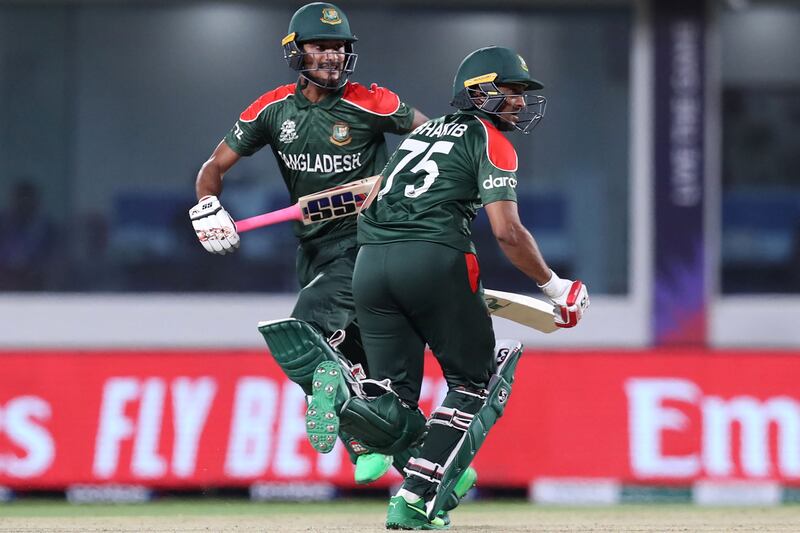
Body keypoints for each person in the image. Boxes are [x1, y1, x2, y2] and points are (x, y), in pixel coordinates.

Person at [305, 46, 591, 529]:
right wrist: (554, 286)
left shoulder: (417, 137)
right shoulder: (490, 139)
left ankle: (352, 402)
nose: (521, 103)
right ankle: (413, 498)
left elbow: (372, 201)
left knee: (392, 397)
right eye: (512, 90)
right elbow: (507, 232)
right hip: (435, 259)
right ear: (479, 92)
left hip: (370, 265)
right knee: (473, 384)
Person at [188, 2, 428, 484]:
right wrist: (207, 205)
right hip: (315, 249)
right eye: (321, 47)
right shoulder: (272, 109)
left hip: (368, 242)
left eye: (340, 48)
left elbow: (432, 137)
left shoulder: (370, 101)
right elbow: (213, 168)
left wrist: (402, 179)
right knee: (363, 375)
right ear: (296, 52)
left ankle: (359, 439)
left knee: (302, 328)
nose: (333, 56)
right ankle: (422, 465)